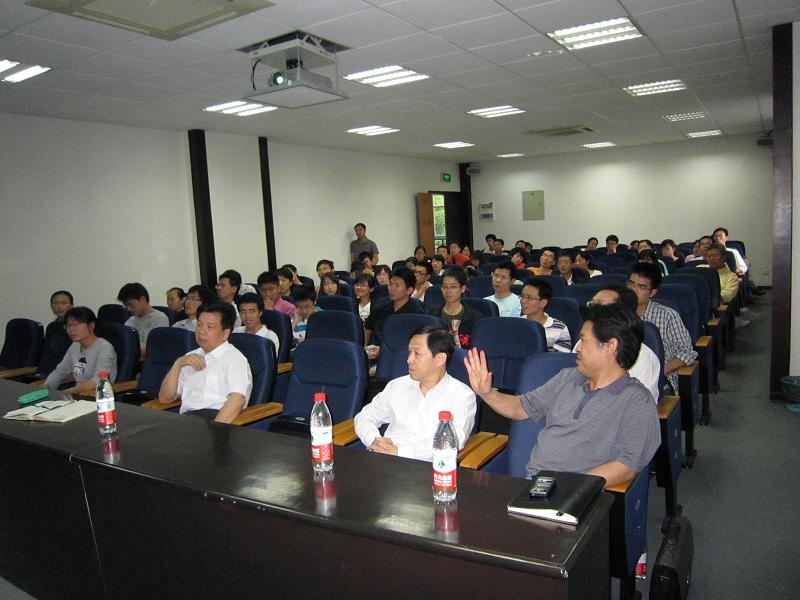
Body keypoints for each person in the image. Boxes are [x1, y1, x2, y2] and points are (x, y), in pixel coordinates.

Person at [464, 303, 660, 487]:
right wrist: (487, 393)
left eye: (584, 340)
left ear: (610, 346)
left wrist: (572, 488)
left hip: (579, 492)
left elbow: (627, 466)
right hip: (536, 484)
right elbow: (521, 407)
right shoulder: (569, 377)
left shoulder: (637, 400)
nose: (578, 347)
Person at [354, 324, 477, 460]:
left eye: (417, 353)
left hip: (430, 467)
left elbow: (451, 443)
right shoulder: (397, 386)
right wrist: (374, 440)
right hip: (385, 459)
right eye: (409, 352)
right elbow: (365, 416)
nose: (409, 360)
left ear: (440, 359)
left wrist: (399, 452)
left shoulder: (462, 396)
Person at [158, 302, 252, 423]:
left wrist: (214, 430)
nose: (201, 331)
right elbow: (165, 398)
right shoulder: (189, 357)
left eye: (210, 326)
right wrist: (178, 364)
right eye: (199, 324)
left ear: (225, 333)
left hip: (215, 420)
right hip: (186, 420)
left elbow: (237, 400)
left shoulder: (234, 359)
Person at [628, 263, 697, 393]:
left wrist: (658, 373)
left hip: (658, 381)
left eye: (641, 287)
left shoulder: (667, 316)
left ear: (652, 292)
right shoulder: (617, 313)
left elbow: (687, 353)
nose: (633, 291)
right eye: (631, 284)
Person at [590, 285, 661, 402]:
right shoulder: (583, 343)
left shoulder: (641, 357)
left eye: (599, 306)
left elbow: (638, 405)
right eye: (591, 304)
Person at [44, 306, 117, 393]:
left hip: (98, 395)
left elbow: (99, 380)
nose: (71, 329)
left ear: (91, 326)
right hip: (77, 394)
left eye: (76, 324)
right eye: (68, 325)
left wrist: (69, 392)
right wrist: (45, 388)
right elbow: (60, 372)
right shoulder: (75, 346)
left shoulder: (104, 348)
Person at [364, 267, 423, 352]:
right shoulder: (380, 306)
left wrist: (383, 351)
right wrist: (365, 347)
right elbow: (368, 327)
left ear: (409, 290)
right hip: (376, 352)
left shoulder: (417, 313)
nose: (391, 288)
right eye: (390, 284)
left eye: (397, 285)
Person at [427, 266, 483, 348]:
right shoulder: (432, 313)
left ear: (462, 289)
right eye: (444, 286)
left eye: (453, 287)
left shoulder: (475, 318)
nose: (448, 291)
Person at [519, 278, 571, 352]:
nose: (523, 301)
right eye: (522, 296)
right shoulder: (516, 323)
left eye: (529, 298)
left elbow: (561, 357)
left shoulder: (560, 328)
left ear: (543, 303)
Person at [117, 282, 169, 356]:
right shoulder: (131, 321)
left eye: (131, 304)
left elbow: (154, 348)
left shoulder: (160, 319)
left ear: (143, 299)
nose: (128, 309)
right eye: (126, 306)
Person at [233, 293, 280, 358]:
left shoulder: (270, 337)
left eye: (252, 311)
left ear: (260, 312)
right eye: (243, 312)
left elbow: (267, 362)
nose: (247, 316)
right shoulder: (236, 332)